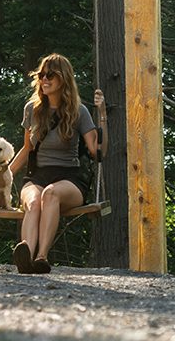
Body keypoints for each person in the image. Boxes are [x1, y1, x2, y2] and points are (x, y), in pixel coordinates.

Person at [8, 53, 106, 274]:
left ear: (63, 79)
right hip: (38, 175)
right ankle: (27, 256)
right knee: (33, 200)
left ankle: (42, 257)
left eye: (50, 75)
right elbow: (27, 149)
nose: (44, 79)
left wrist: (102, 116)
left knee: (50, 194)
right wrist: (3, 176)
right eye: (41, 75)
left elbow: (97, 152)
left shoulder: (78, 112)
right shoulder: (32, 109)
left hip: (70, 178)